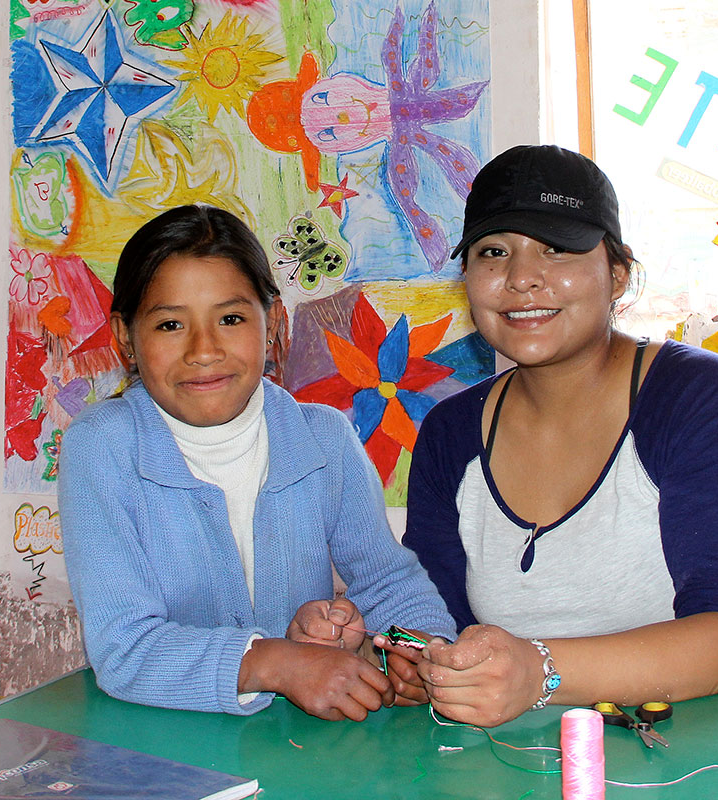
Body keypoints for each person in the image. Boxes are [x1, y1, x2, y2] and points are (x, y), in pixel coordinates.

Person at [395, 145, 718, 728]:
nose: (521, 277)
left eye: (556, 248)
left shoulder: (694, 396)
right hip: (551, 755)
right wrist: (409, 660)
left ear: (617, 273)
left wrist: (538, 671)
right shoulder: (450, 434)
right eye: (493, 252)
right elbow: (439, 622)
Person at [58, 204, 456, 721]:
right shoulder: (102, 448)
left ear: (274, 325)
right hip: (159, 743)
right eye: (171, 324)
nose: (204, 350)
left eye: (230, 319)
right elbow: (123, 648)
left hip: (295, 747)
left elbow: (387, 585)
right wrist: (276, 663)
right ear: (124, 339)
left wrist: (418, 649)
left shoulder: (324, 438)